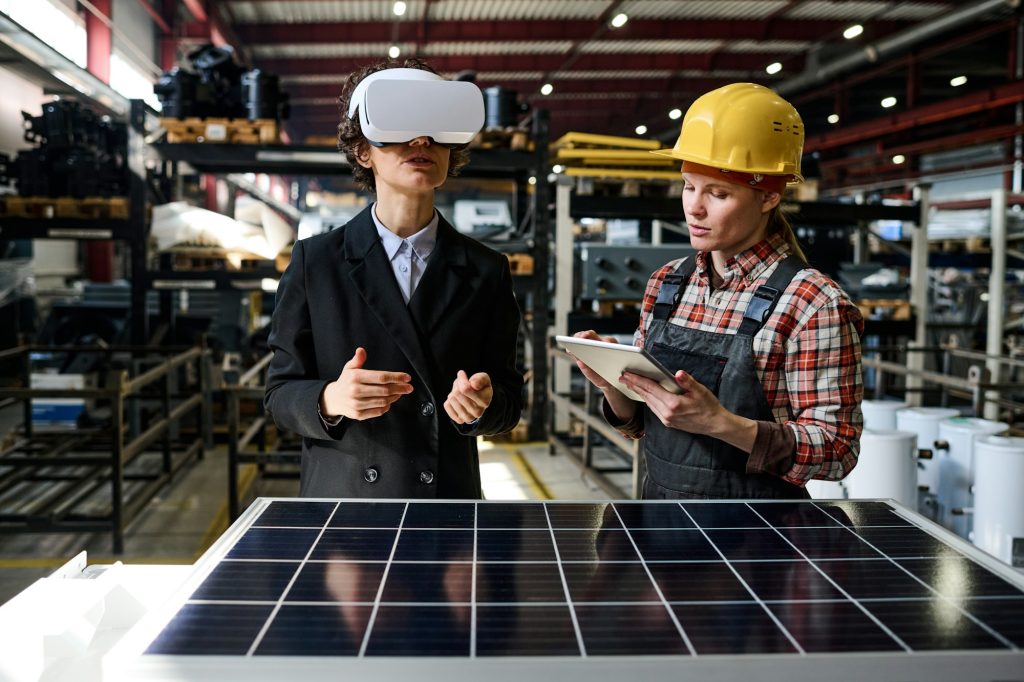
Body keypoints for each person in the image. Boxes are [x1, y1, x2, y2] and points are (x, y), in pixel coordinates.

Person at [571, 83, 864, 500]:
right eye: (689, 186)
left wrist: (720, 423)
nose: (694, 207)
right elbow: (640, 423)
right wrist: (612, 386)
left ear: (768, 196)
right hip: (662, 526)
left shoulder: (813, 303)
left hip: (758, 539)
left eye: (718, 193)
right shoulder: (667, 284)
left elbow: (837, 450)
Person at [264, 58, 524, 499]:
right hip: (345, 505)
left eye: (434, 129)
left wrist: (483, 406)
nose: (421, 139)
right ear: (363, 150)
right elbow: (279, 394)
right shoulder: (317, 262)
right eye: (400, 125)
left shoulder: (486, 270)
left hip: (447, 502)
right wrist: (330, 400)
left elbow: (510, 400)